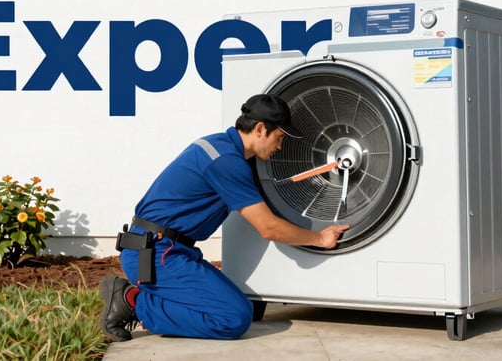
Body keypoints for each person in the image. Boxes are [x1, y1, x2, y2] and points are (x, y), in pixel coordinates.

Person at [98, 93, 350, 342]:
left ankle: (142, 298)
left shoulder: (220, 146)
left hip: (165, 249)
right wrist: (320, 238)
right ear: (260, 129)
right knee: (232, 318)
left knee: (239, 306)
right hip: (156, 255)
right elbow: (268, 228)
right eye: (279, 137)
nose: (280, 146)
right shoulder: (227, 161)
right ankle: (132, 301)